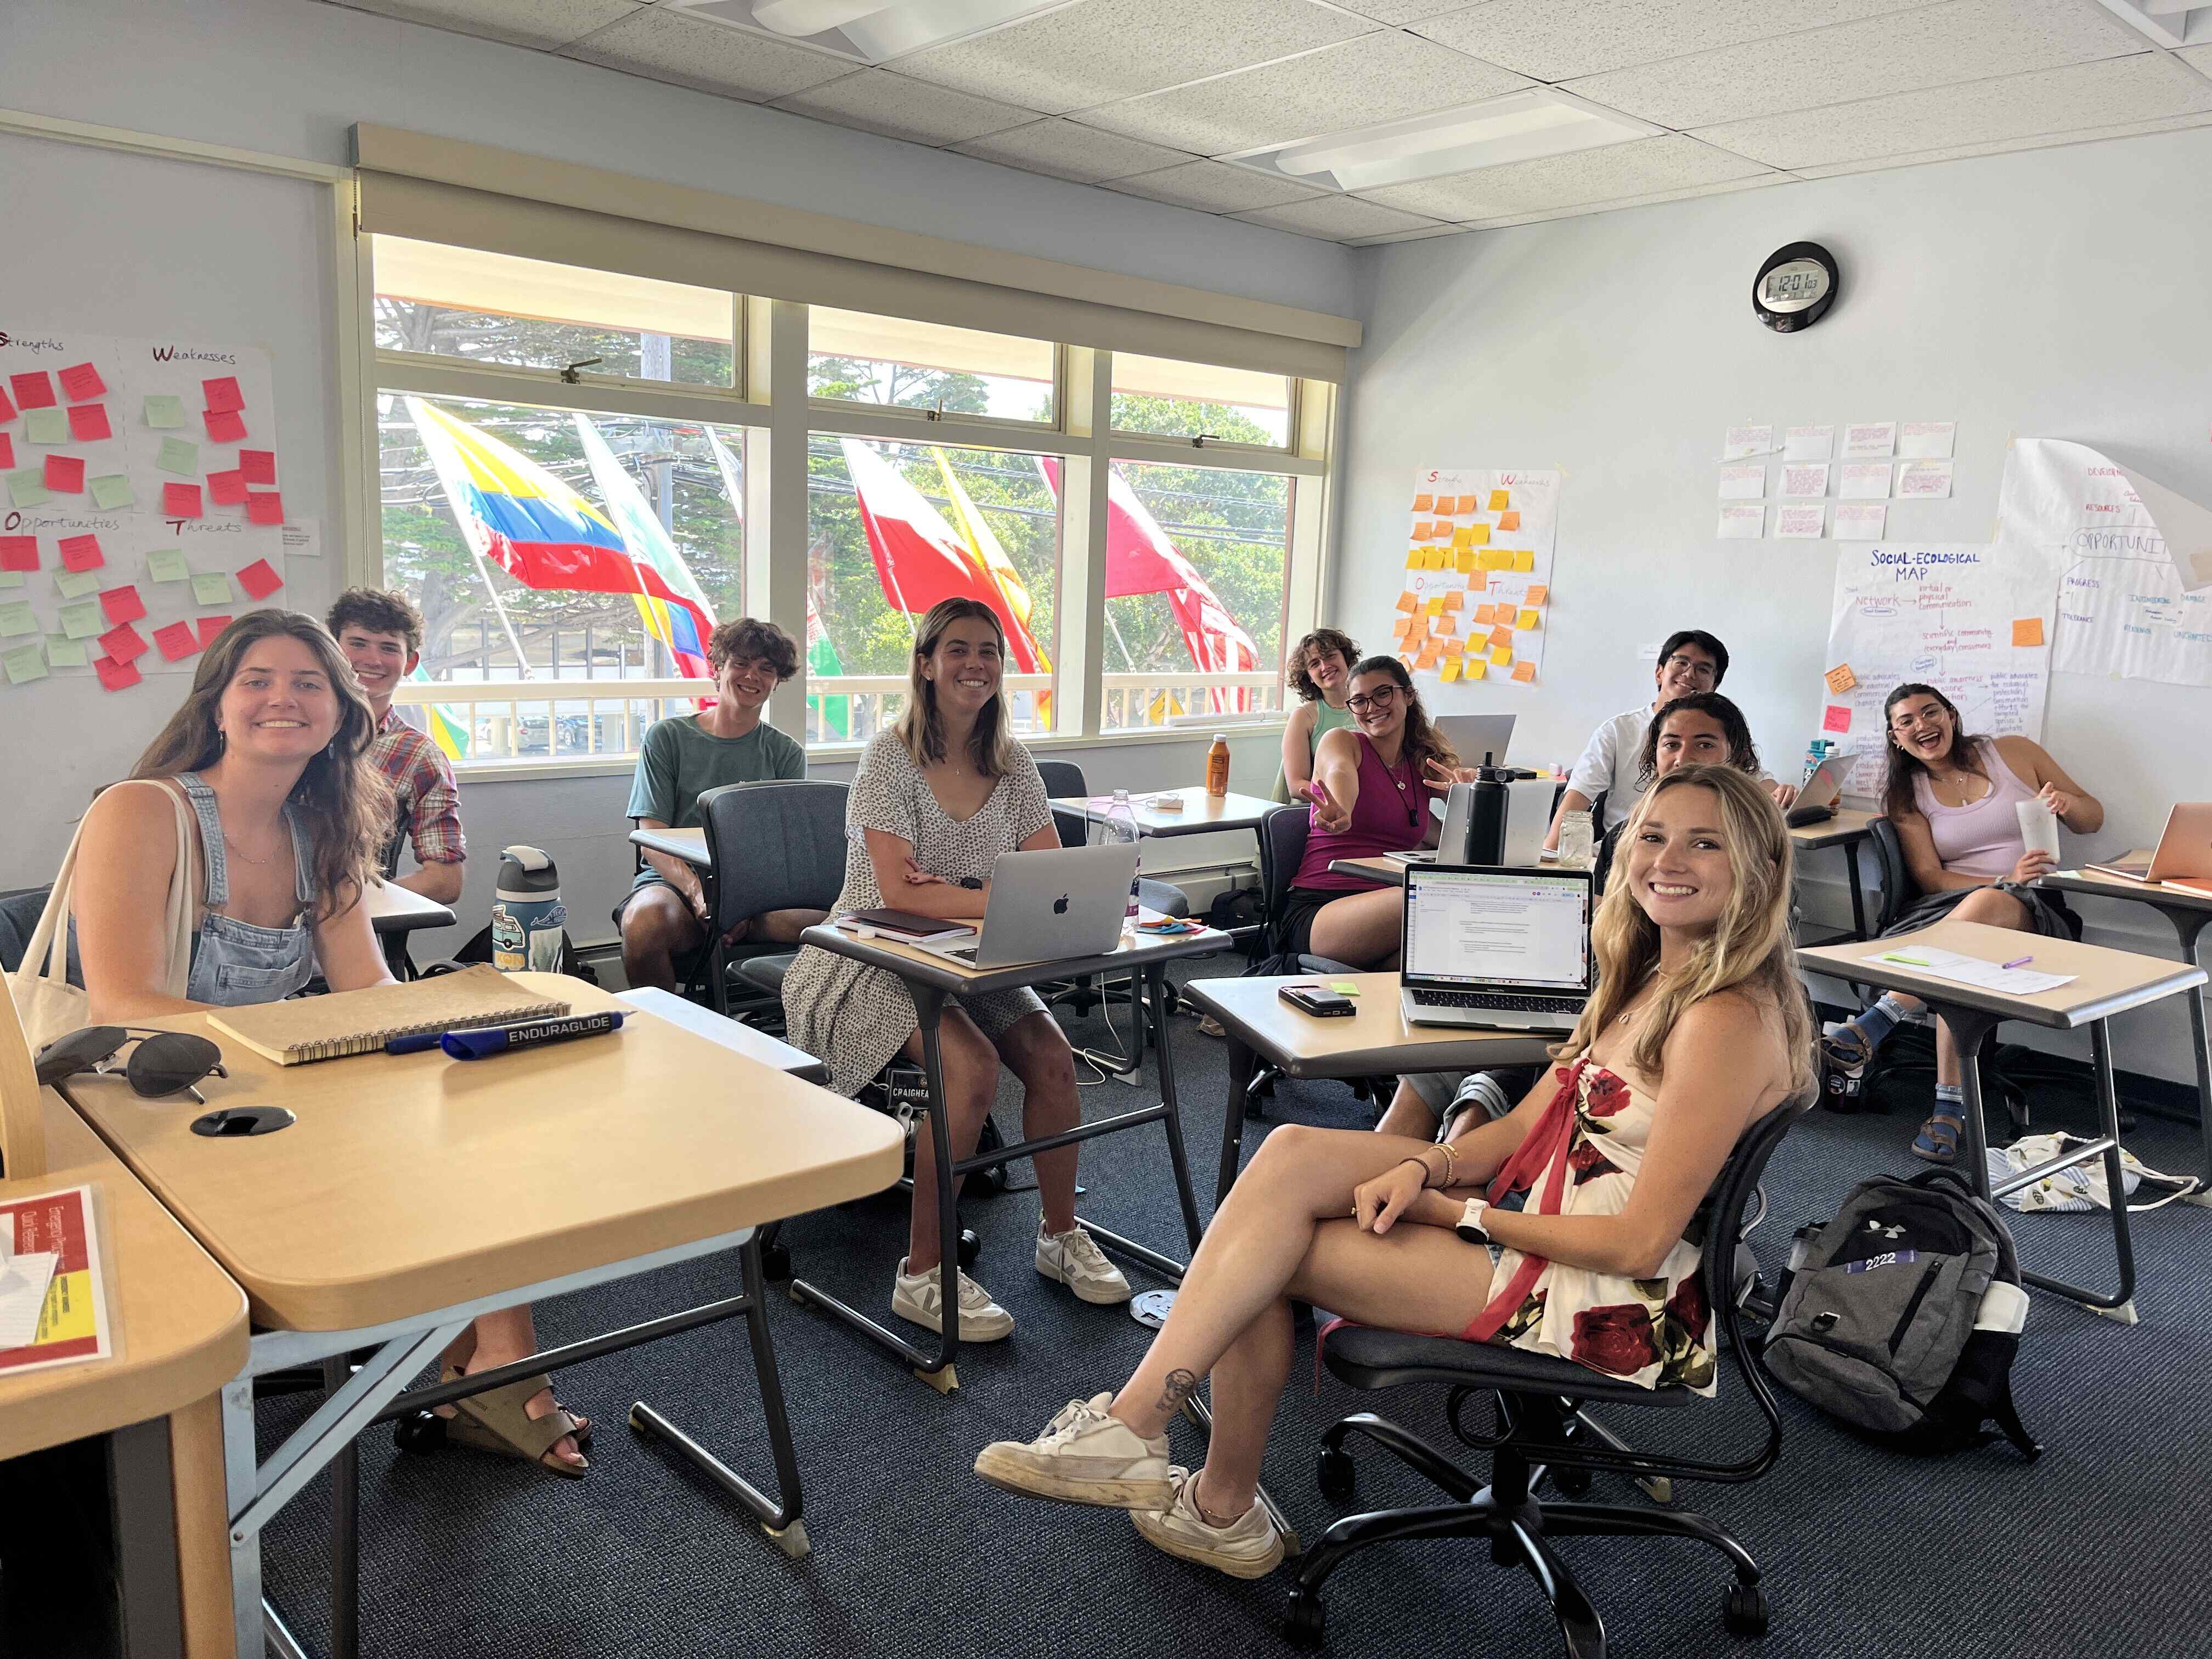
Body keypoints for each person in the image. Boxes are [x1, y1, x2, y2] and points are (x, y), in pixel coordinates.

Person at [974, 766, 1810, 1578]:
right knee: (1291, 1154)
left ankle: (1198, 1488)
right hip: (1548, 1214)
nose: (1668, 860)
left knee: (1266, 1254)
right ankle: (1152, 1448)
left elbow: (1637, 1243)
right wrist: (1430, 1165)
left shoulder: (1725, 1020)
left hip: (1611, 1295)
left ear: (1757, 868)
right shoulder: (1653, 978)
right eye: (1653, 837)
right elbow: (1523, 1126)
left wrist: (1456, 1213)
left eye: (1704, 844)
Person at [73, 611, 591, 1476]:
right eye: (258, 681)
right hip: (130, 1106)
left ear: (343, 714)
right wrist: (299, 1050)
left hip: (249, 1093)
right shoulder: (144, 810)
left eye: (308, 683)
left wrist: (460, 1022)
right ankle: (489, 1382)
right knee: (428, 1158)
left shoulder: (321, 828)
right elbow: (122, 1004)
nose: (284, 698)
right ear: (217, 706)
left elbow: (364, 989)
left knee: (467, 1124)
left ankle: (493, 1369)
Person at [780, 598, 1132, 1339]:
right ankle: (923, 1273)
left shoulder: (1013, 761)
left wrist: (966, 894)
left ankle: (1059, 1235)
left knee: (1054, 1061)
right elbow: (899, 896)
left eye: (989, 651)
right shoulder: (889, 756)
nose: (977, 664)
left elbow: (1047, 878)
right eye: (959, 650)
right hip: (868, 956)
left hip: (970, 953)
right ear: (926, 665)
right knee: (970, 1068)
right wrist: (989, 893)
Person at [1374, 693, 1771, 1145]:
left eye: (1704, 744)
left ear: (1736, 755)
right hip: (1586, 994)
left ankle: (1457, 1138)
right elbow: (1603, 929)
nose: (1683, 757)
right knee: (1445, 1053)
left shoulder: (1724, 1004)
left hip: (1617, 1033)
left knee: (1490, 1087)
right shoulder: (1624, 837)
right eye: (1671, 744)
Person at [1819, 683, 2102, 1163]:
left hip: (2037, 911)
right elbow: (1931, 878)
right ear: (1895, 738)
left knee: (1985, 910)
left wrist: (2066, 805)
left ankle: (1875, 1025)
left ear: (1951, 715)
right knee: (1964, 954)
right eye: (1906, 721)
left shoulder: (2013, 753)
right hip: (1945, 911)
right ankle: (1949, 1110)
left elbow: (2092, 819)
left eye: (1930, 712)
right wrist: (2003, 878)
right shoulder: (1905, 793)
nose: (1922, 725)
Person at [619, 617, 814, 994]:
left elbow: (781, 849)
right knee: (643, 923)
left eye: (766, 669)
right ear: (718, 668)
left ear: (777, 681)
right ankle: (665, 1026)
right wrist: (697, 893)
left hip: (759, 898)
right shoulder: (667, 738)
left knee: (839, 925)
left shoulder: (786, 753)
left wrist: (741, 904)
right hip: (676, 886)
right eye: (741, 663)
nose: (752, 676)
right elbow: (652, 839)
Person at [1275, 656, 1463, 972]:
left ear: (1409, 695)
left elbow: (1457, 835)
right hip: (1323, 910)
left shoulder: (1420, 760)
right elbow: (1340, 772)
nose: (1372, 707)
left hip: (1387, 907)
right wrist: (1342, 808)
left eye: (1383, 694)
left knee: (1438, 960)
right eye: (1359, 701)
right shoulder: (1341, 741)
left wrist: (1469, 795)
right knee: (1431, 897)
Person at [1546, 630, 1795, 849]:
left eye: (1703, 669)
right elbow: (1578, 796)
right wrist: (1551, 856)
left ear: (1715, 685)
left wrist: (1785, 795)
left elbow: (1760, 784)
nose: (1689, 673)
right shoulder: (1618, 731)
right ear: (1659, 673)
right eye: (1681, 662)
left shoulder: (1723, 730)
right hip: (1625, 849)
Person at [325, 588, 465, 906]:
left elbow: (445, 881)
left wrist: (359, 903)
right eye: (358, 643)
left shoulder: (418, 756)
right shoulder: (289, 731)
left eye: (389, 648)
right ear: (330, 650)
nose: (372, 660)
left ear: (410, 663)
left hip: (354, 917)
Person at [1272, 628, 1360, 804]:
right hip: (1320, 811)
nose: (1325, 666)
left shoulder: (1371, 707)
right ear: (1310, 677)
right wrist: (1345, 799)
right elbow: (1296, 786)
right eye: (1314, 664)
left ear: (1346, 659)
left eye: (1330, 656)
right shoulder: (1304, 717)